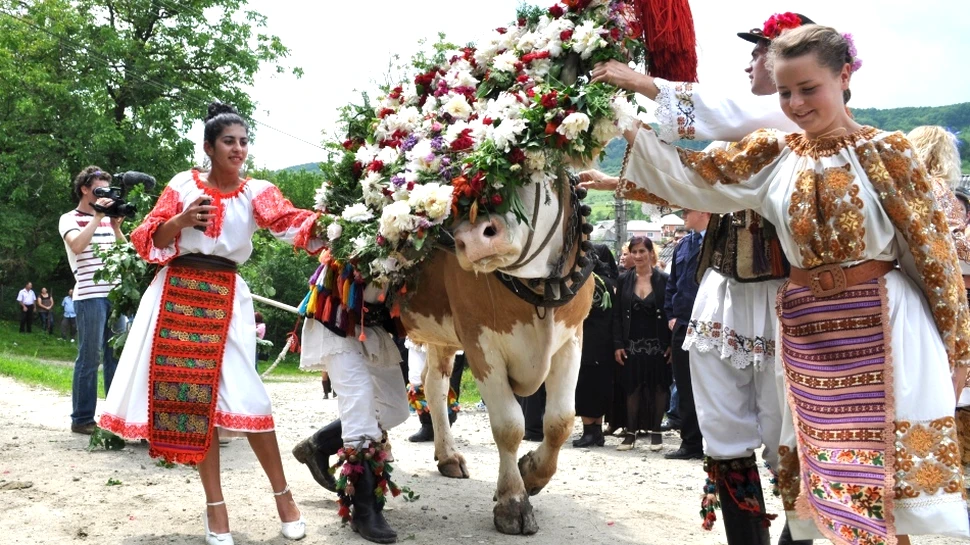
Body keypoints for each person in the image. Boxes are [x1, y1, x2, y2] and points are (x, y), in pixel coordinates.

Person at [612, 24, 970, 544]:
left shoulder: (888, 152)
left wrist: (956, 350)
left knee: (886, 477)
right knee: (822, 470)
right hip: (806, 330)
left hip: (887, 324)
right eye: (785, 92)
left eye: (809, 89)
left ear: (844, 77)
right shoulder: (774, 153)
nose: (796, 104)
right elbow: (695, 176)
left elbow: (932, 255)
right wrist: (619, 128)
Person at [586, 12, 813, 544]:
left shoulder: (788, 118)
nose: (750, 63)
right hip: (723, 293)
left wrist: (640, 87)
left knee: (790, 432)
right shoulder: (743, 133)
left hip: (781, 295)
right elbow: (694, 185)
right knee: (723, 430)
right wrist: (624, 140)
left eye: (759, 51)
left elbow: (717, 118)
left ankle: (798, 535)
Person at [98, 102, 316, 544]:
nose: (238, 149)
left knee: (253, 400)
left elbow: (292, 223)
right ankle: (215, 509)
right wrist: (180, 220)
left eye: (243, 141)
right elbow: (149, 238)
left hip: (225, 296)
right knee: (195, 404)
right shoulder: (183, 184)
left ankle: (284, 497)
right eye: (229, 142)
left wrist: (340, 227)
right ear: (208, 148)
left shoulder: (258, 191)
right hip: (178, 293)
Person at [294, 278, 410, 544]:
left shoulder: (424, 243)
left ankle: (319, 444)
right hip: (336, 321)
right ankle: (365, 510)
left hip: (372, 325)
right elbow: (298, 236)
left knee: (395, 408)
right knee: (358, 406)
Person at [59, 167, 125, 435]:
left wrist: (117, 227)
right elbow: (77, 246)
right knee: (90, 357)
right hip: (89, 295)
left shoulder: (108, 220)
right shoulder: (69, 218)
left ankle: (114, 418)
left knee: (116, 358)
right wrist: (97, 218)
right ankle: (82, 418)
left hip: (115, 295)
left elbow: (125, 253)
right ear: (85, 189)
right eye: (100, 190)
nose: (104, 196)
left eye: (107, 192)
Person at [611, 236, 671, 451]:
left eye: (641, 252)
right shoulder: (623, 280)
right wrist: (618, 344)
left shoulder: (664, 279)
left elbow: (670, 312)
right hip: (632, 343)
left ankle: (656, 432)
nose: (637, 256)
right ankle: (630, 433)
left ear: (651, 253)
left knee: (659, 388)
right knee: (631, 389)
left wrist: (671, 343)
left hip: (659, 343)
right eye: (633, 251)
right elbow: (617, 315)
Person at [572, 244, 619, 448]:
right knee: (599, 387)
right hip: (605, 342)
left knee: (585, 386)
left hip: (588, 341)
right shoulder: (612, 282)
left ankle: (589, 432)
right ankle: (596, 432)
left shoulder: (590, 282)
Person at [405, 340, 465, 443]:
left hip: (445, 333)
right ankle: (427, 424)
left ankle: (446, 421)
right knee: (416, 377)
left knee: (446, 372)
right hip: (420, 332)